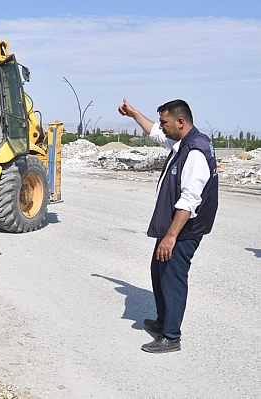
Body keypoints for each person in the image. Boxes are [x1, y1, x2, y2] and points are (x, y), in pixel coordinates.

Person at [118, 98, 218, 354]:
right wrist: (134, 114)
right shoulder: (184, 142)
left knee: (172, 277)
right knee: (158, 271)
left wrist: (170, 237)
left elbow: (189, 200)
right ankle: (163, 321)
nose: (161, 127)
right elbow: (155, 133)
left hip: (184, 229)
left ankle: (171, 336)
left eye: (165, 122)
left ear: (180, 122)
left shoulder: (195, 151)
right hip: (176, 227)